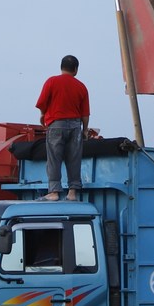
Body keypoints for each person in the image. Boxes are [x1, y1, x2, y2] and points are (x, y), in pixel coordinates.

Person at [35, 55, 90, 201]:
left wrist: (42, 115)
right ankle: (72, 192)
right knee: (74, 159)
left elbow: (42, 103)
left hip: (56, 124)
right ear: (76, 70)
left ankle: (54, 192)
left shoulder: (52, 81)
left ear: (61, 67)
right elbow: (85, 113)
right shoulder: (81, 86)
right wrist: (85, 130)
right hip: (75, 126)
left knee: (54, 158)